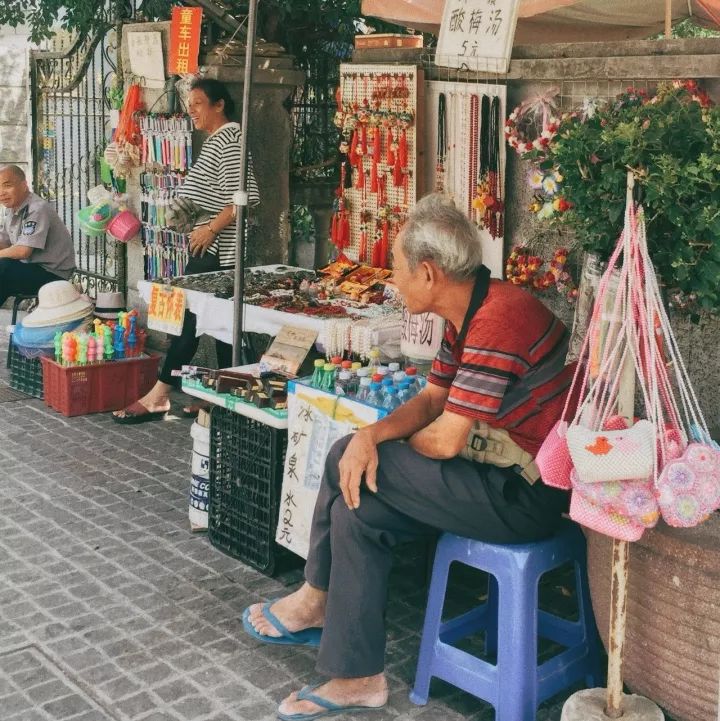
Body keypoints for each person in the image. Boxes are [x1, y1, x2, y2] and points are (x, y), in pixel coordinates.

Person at [243, 193, 575, 720]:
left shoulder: (498, 316)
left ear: (428, 272)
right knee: (361, 507)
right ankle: (358, 676)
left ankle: (315, 597)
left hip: (525, 496)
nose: (391, 281)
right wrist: (373, 435)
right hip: (492, 476)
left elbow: (444, 440)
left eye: (396, 269)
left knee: (344, 458)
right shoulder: (469, 311)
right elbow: (430, 399)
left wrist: (373, 445)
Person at [113, 77, 260, 424]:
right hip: (205, 242)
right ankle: (225, 401)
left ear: (219, 104)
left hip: (219, 247)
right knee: (222, 325)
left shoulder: (231, 138)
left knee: (189, 320)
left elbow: (244, 200)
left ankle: (159, 394)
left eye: (197, 103)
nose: (191, 110)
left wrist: (210, 228)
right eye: (189, 104)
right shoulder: (216, 141)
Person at [0, 164, 75, 307]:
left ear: (24, 185)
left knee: (3, 268)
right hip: (31, 269)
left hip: (53, 274)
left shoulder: (36, 208)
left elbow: (23, 251)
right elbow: (5, 244)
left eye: (7, 185)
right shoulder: (12, 210)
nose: (1, 192)